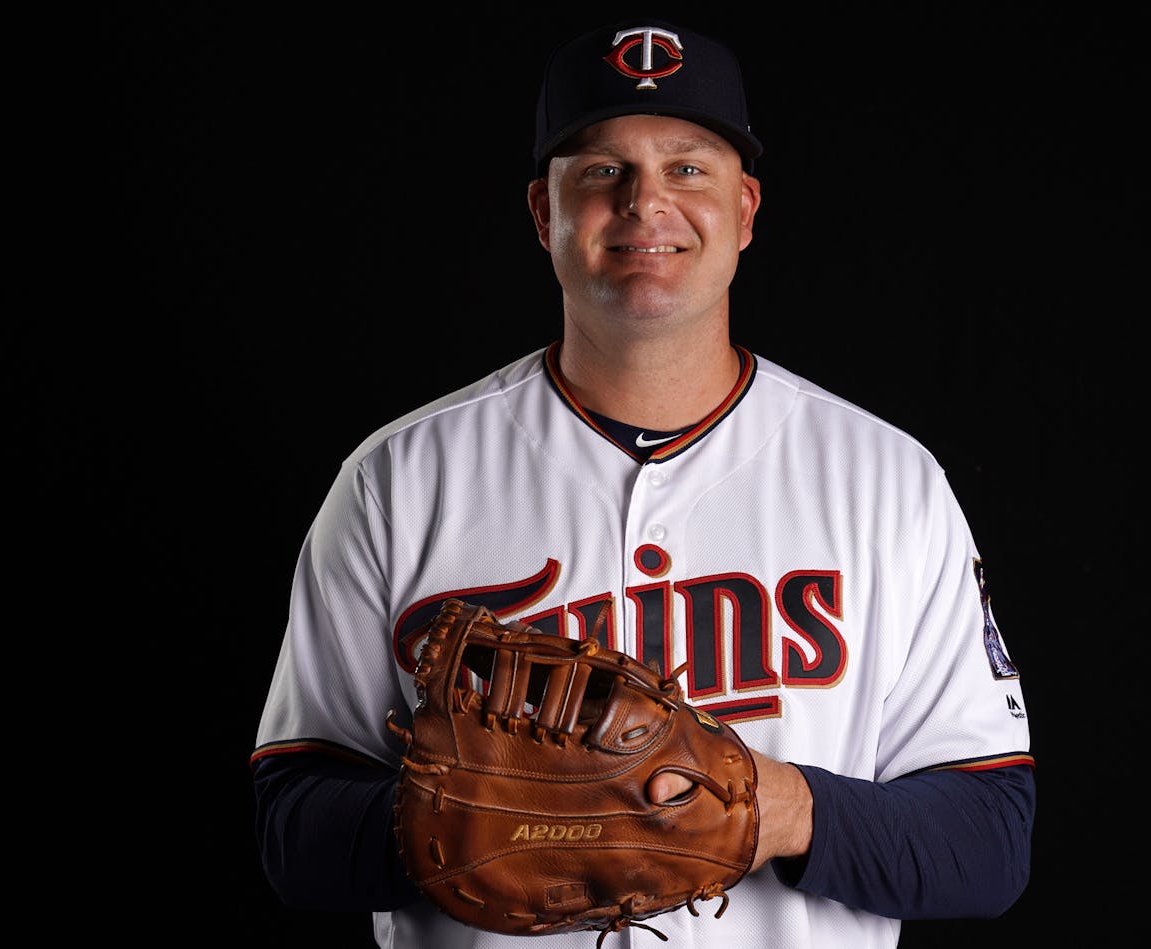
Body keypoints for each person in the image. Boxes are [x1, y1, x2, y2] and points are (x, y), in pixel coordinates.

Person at [251, 16, 1035, 949]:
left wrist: (776, 810)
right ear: (544, 215)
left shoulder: (888, 481)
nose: (644, 203)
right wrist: (446, 825)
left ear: (744, 211)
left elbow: (989, 839)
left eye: (687, 167)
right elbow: (289, 825)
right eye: (599, 172)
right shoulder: (397, 479)